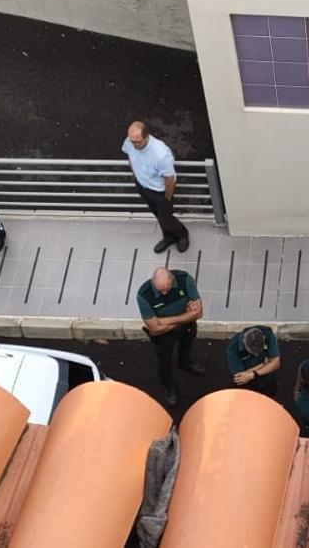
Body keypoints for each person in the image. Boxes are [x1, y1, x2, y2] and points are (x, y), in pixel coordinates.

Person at [136, 267, 206, 406]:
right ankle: (169, 387)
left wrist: (165, 321)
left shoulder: (184, 279)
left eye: (166, 289)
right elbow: (155, 328)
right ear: (152, 282)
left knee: (187, 344)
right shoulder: (144, 295)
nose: (163, 293)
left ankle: (185, 362)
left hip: (183, 326)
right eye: (160, 290)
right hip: (164, 334)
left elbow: (198, 313)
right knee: (164, 360)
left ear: (172, 279)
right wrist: (185, 315)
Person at [122, 121, 189, 253]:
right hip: (143, 186)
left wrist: (167, 199)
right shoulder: (130, 142)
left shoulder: (161, 154)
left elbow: (169, 179)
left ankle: (182, 234)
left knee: (166, 219)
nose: (134, 144)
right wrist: (136, 176)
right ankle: (168, 237)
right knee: (158, 216)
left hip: (160, 192)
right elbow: (130, 156)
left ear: (147, 137)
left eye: (138, 141)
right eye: (132, 141)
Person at [225, 325, 281, 398]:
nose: (256, 354)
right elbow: (239, 378)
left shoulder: (267, 333)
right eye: (253, 352)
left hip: (267, 380)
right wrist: (264, 364)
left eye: (259, 351)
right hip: (248, 386)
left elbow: (276, 364)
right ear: (244, 343)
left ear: (263, 338)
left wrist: (252, 374)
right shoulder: (232, 349)